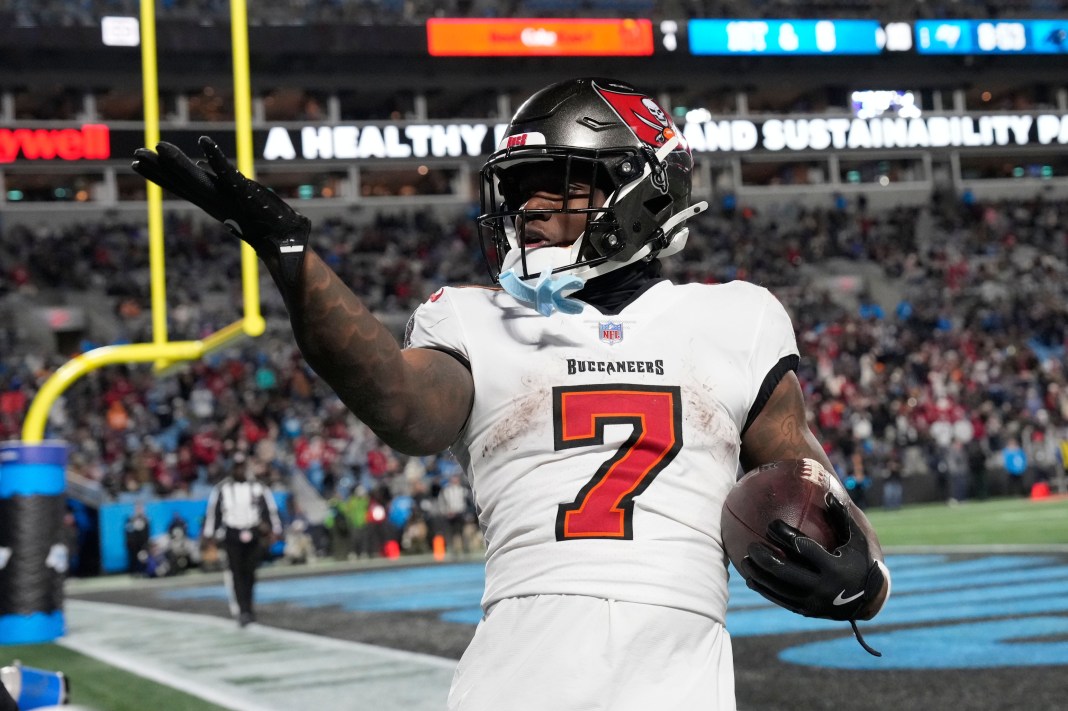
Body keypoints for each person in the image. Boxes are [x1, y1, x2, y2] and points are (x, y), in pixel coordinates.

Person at [133, 77, 891, 710]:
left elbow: (812, 487)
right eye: (520, 190)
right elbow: (404, 408)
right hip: (519, 675)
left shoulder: (738, 317)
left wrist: (867, 575)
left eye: (557, 185)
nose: (528, 208)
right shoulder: (473, 316)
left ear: (642, 193)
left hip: (678, 680)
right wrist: (290, 252)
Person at [202, 451, 282, 627]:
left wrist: (273, 529)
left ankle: (249, 607)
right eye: (236, 467)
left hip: (252, 531)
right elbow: (213, 514)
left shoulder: (258, 487)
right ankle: (242, 610)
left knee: (250, 573)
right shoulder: (222, 489)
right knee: (236, 573)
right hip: (232, 533)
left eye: (242, 467)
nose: (239, 470)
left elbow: (269, 509)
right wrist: (210, 535)